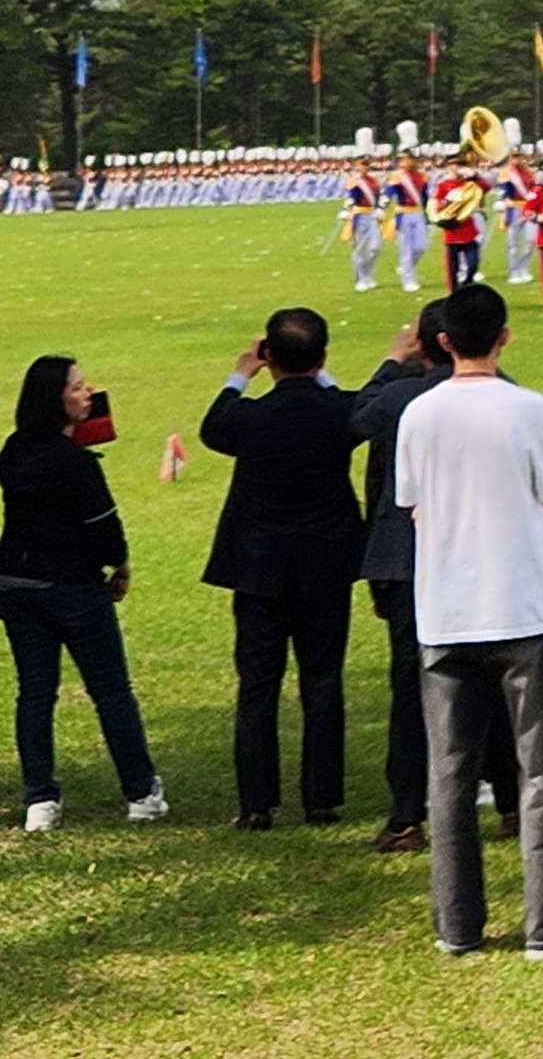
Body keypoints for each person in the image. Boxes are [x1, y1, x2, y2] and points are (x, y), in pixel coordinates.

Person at [394, 281, 543, 959]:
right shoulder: (528, 409)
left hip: (446, 609)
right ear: (504, 337)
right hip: (519, 604)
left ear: (442, 342)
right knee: (540, 766)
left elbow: (412, 502)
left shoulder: (419, 413)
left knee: (450, 772)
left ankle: (457, 924)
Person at [351, 301, 514, 854]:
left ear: (429, 344)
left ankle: (406, 817)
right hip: (479, 556)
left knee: (411, 690)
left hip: (411, 561)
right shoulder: (504, 392)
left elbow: (358, 416)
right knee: (491, 678)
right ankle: (511, 802)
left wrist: (392, 362)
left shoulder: (401, 397)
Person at [0, 353, 169, 831]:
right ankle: (141, 791)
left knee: (34, 693)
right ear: (55, 399)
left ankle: (40, 798)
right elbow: (104, 531)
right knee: (111, 691)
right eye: (76, 387)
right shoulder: (76, 464)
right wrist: (121, 566)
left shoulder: (13, 452)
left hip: (16, 580)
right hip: (71, 586)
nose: (87, 393)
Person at [201, 305, 365, 830]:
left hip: (260, 565)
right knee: (322, 680)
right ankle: (321, 797)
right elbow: (357, 406)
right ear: (322, 357)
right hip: (325, 562)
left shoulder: (249, 418)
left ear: (268, 355)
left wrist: (239, 375)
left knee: (257, 684)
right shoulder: (339, 413)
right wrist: (322, 377)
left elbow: (213, 426)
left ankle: (256, 803)